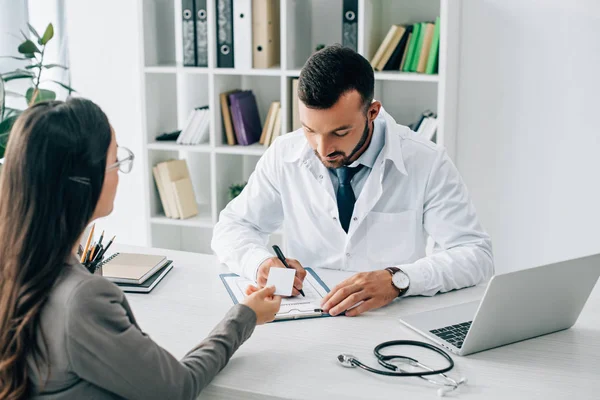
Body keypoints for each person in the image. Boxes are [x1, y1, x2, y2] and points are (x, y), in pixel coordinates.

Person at [0, 99, 281, 400]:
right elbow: (176, 388)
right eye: (115, 160)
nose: (120, 171)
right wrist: (245, 315)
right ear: (85, 183)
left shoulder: (16, 266)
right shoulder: (82, 300)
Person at [212, 45, 493, 317]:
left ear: (372, 112)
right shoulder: (284, 154)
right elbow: (233, 226)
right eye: (310, 130)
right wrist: (259, 263)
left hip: (392, 318)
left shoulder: (426, 161)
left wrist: (399, 279)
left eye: (340, 132)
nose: (323, 149)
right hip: (308, 317)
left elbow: (475, 255)